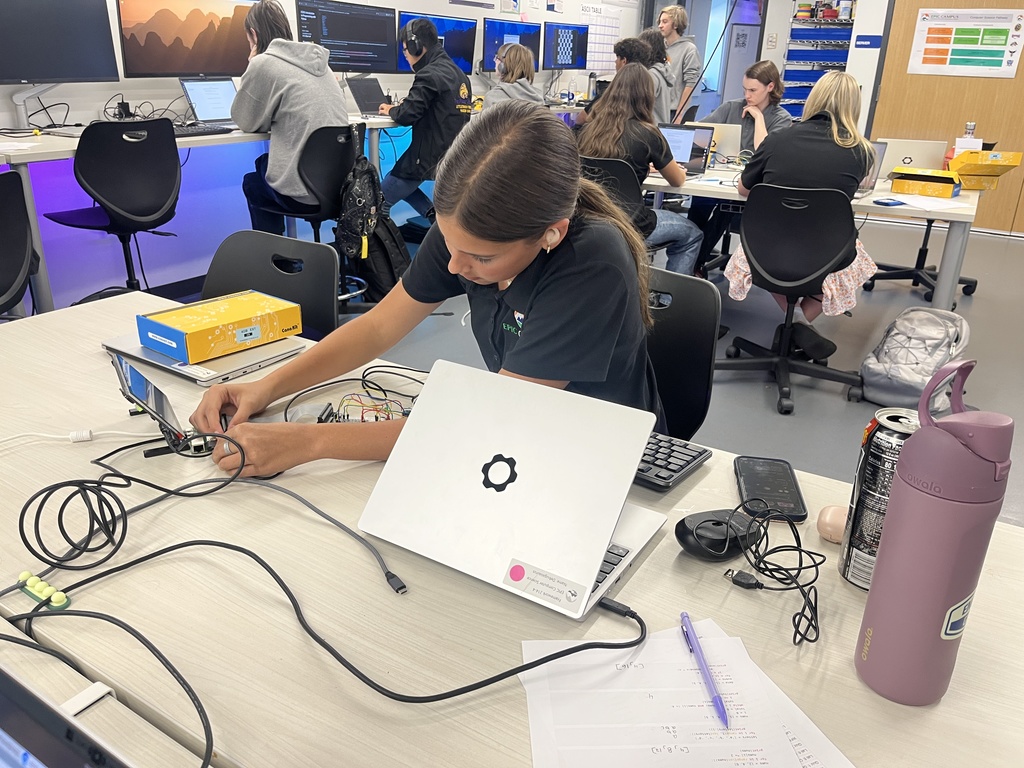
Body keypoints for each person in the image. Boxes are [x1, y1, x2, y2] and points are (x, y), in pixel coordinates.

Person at [191, 101, 664, 476]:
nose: (456, 265)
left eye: (481, 258)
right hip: (514, 432)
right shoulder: (466, 225)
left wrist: (310, 441)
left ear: (551, 234)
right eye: (451, 245)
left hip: (597, 454)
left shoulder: (590, 261)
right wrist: (264, 387)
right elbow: (378, 327)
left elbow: (496, 415)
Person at [724, 71, 878, 360]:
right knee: (854, 257)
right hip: (825, 252)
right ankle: (799, 325)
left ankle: (794, 324)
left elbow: (745, 189)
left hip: (766, 250)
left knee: (763, 261)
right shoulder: (862, 151)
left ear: (813, 99)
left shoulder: (777, 140)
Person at [231, 0, 349, 235]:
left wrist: (252, 63)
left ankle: (277, 261)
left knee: (253, 181)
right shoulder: (322, 65)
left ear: (253, 35)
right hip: (339, 188)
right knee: (264, 165)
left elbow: (244, 120)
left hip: (303, 195)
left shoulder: (263, 63)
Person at [577, 63, 703, 276]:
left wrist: (642, 166)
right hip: (631, 223)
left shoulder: (585, 131)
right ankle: (670, 302)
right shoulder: (648, 134)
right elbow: (677, 180)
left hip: (587, 219)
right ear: (647, 96)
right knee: (692, 234)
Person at [689, 61, 792, 272]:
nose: (747, 95)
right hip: (721, 177)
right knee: (700, 201)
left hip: (752, 185)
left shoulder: (782, 119)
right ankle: (689, 256)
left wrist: (759, 118)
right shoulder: (731, 108)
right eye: (745, 89)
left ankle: (694, 263)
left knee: (726, 207)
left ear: (770, 87)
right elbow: (697, 132)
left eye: (753, 90)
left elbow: (765, 150)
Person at [376, 19, 473, 219]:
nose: (406, 56)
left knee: (377, 202)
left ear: (416, 46)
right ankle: (431, 217)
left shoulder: (429, 74)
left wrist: (392, 110)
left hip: (426, 160)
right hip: (452, 158)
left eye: (405, 50)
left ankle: (390, 250)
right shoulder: (461, 76)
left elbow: (406, 115)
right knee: (398, 175)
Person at [574, 37, 652, 127]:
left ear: (624, 61)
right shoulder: (647, 92)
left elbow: (581, 119)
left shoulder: (612, 92)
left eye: (617, 58)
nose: (615, 61)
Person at [658, 5, 701, 124]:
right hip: (657, 109)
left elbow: (690, 84)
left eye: (665, 22)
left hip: (673, 111)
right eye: (660, 21)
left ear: (676, 24)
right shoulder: (659, 47)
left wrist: (680, 114)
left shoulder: (689, 49)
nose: (660, 25)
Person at [483, 43, 543, 109]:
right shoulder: (539, 97)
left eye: (497, 58)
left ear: (502, 66)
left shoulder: (492, 97)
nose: (495, 61)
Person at [638, 27, 675, 125]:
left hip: (651, 131)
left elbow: (641, 107)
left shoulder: (651, 75)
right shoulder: (663, 71)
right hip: (660, 129)